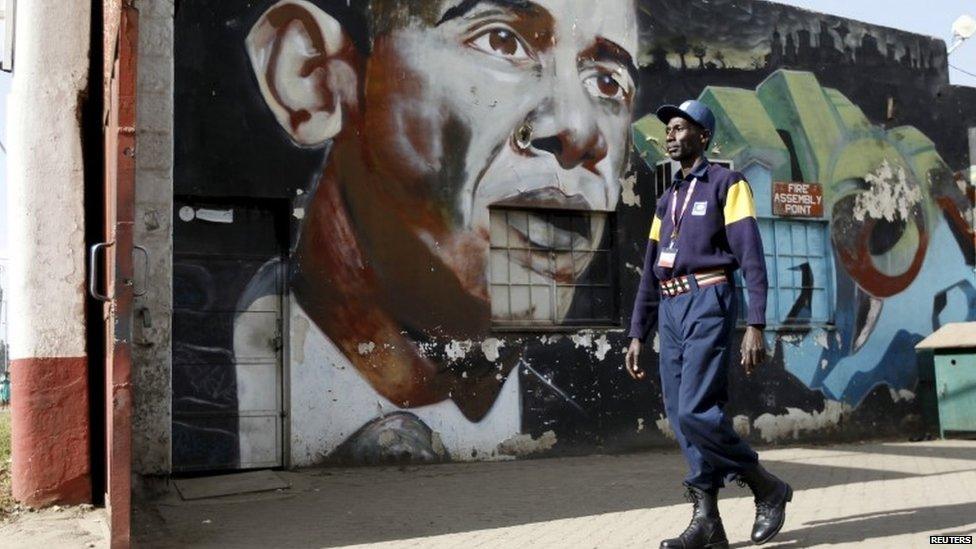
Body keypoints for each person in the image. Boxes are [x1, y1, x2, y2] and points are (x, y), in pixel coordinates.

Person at [240, 0, 639, 460]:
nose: (581, 130)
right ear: (313, 80)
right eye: (502, 41)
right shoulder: (207, 410)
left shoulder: (585, 416)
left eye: (608, 82)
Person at [624, 100, 792, 548]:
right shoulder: (666, 200)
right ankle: (707, 524)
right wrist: (638, 332)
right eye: (669, 129)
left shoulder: (727, 184)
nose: (670, 135)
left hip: (709, 298)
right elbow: (649, 271)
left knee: (698, 410)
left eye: (680, 128)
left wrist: (756, 322)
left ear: (703, 136)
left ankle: (765, 485)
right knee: (681, 417)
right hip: (670, 308)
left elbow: (751, 257)